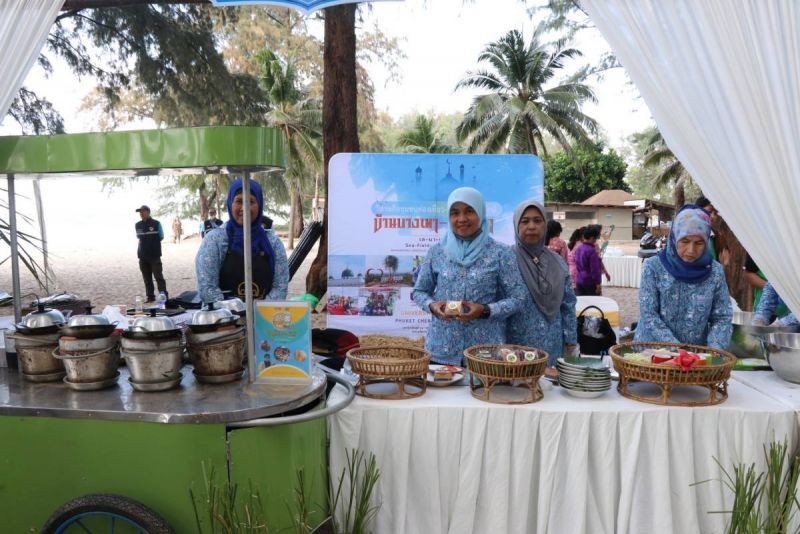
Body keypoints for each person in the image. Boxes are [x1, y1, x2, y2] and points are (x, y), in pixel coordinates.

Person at [412, 187, 527, 366]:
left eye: (469, 211)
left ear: (480, 213)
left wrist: (485, 310)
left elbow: (519, 298)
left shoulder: (500, 253)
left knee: (482, 393)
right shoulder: (437, 252)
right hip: (441, 350)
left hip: (485, 354)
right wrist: (432, 306)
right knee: (442, 394)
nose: (462, 219)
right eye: (455, 213)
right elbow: (419, 291)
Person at [634, 205, 732, 350]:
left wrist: (714, 351)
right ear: (674, 238)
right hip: (653, 356)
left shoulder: (715, 272)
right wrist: (678, 350)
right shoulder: (653, 268)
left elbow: (722, 317)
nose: (691, 250)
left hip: (695, 360)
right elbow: (649, 315)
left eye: (699, 243)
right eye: (685, 241)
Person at [507, 200, 577, 366]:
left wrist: (571, 340)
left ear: (545, 225)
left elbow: (568, 304)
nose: (531, 226)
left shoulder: (557, 261)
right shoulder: (505, 259)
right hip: (513, 346)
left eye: (537, 221)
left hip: (551, 345)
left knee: (548, 390)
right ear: (516, 225)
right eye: (525, 221)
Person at [195, 179, 288, 302]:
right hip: (225, 318)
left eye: (251, 201)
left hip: (263, 317)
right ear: (230, 204)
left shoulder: (273, 243)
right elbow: (207, 288)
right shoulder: (214, 240)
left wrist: (258, 313)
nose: (244, 208)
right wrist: (237, 313)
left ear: (259, 205)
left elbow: (280, 288)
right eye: (239, 201)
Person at [135, 205, 167, 303]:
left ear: (148, 212)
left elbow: (161, 236)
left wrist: (152, 244)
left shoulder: (156, 223)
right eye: (140, 212)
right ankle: (150, 297)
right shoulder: (137, 225)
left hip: (154, 255)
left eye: (143, 212)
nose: (141, 214)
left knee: (158, 277)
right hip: (142, 256)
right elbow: (139, 238)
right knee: (147, 278)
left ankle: (163, 296)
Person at [573, 226, 603, 296]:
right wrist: (598, 283)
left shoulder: (579, 248)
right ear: (592, 238)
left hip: (579, 280)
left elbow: (575, 261)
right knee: (593, 304)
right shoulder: (591, 251)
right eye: (596, 238)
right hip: (590, 282)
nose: (596, 240)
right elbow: (595, 269)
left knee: (582, 303)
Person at [566, 227, 584, 291]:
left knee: (572, 288)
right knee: (577, 291)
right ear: (582, 236)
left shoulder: (572, 243)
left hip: (570, 269)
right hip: (577, 270)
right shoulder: (581, 245)